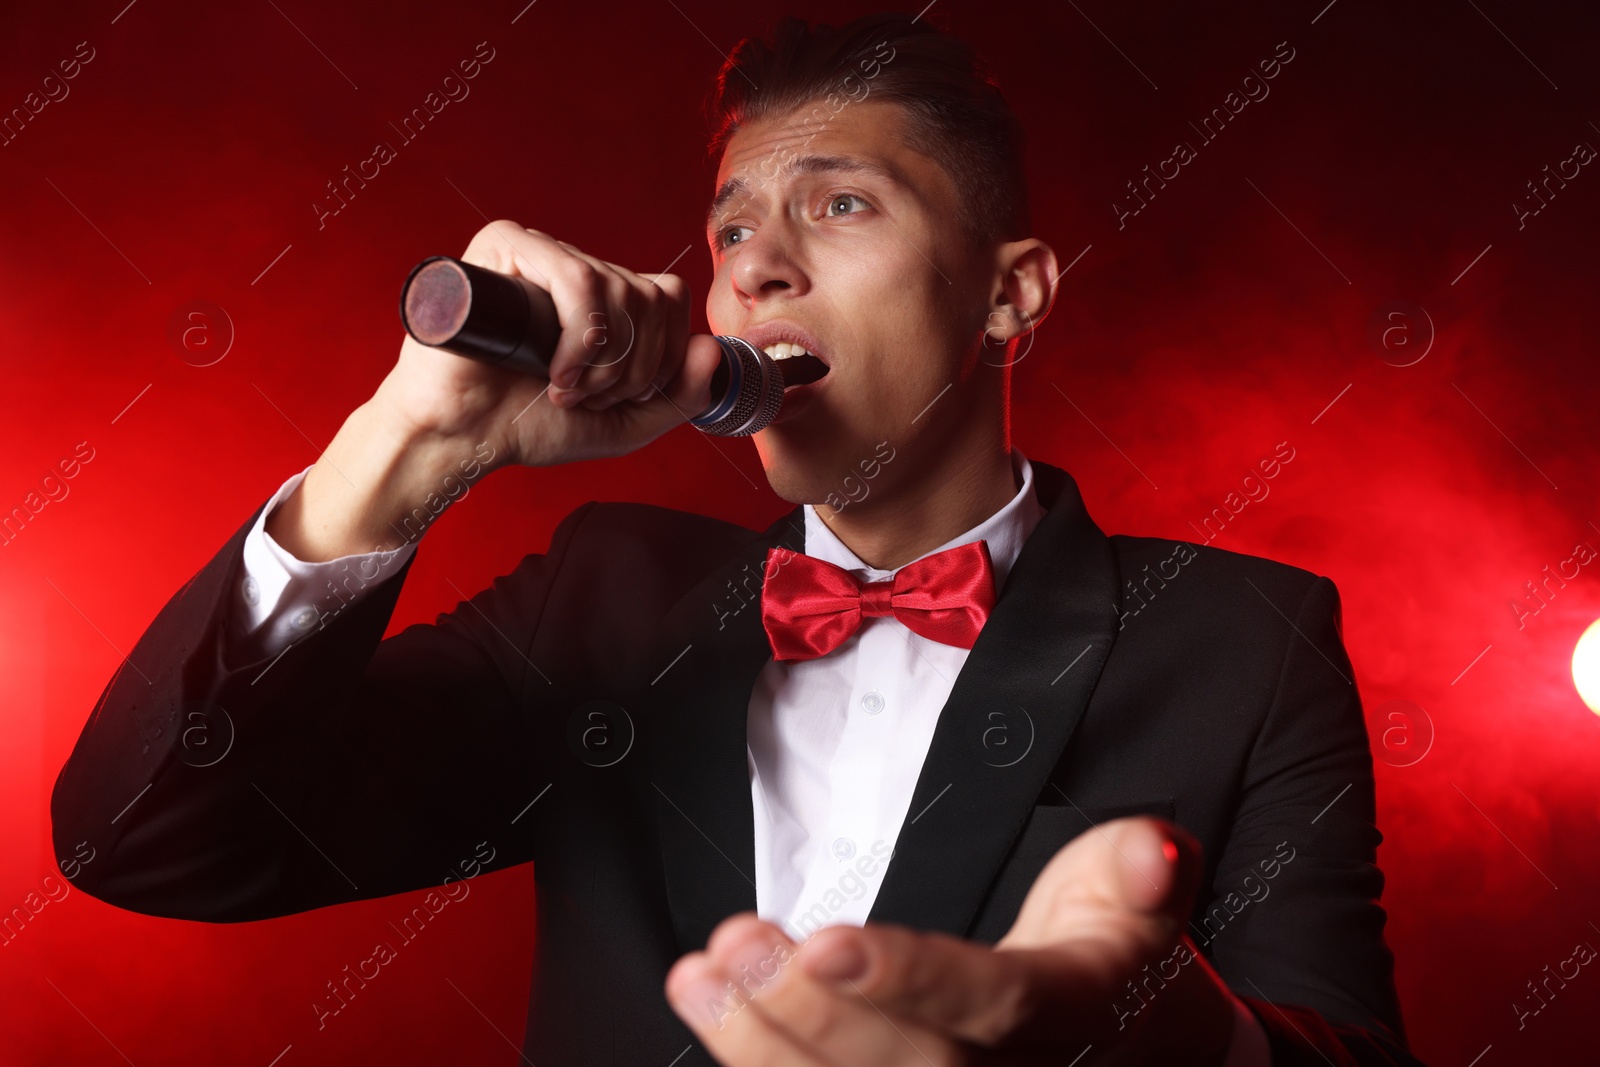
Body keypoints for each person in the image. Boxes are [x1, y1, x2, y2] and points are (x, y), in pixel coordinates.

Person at [52, 12, 1423, 1066]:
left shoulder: (1243, 639)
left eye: (839, 205)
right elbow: (148, 840)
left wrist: (1155, 1036)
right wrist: (415, 445)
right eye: (733, 227)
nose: (756, 263)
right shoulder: (605, 599)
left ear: (1011, 297)